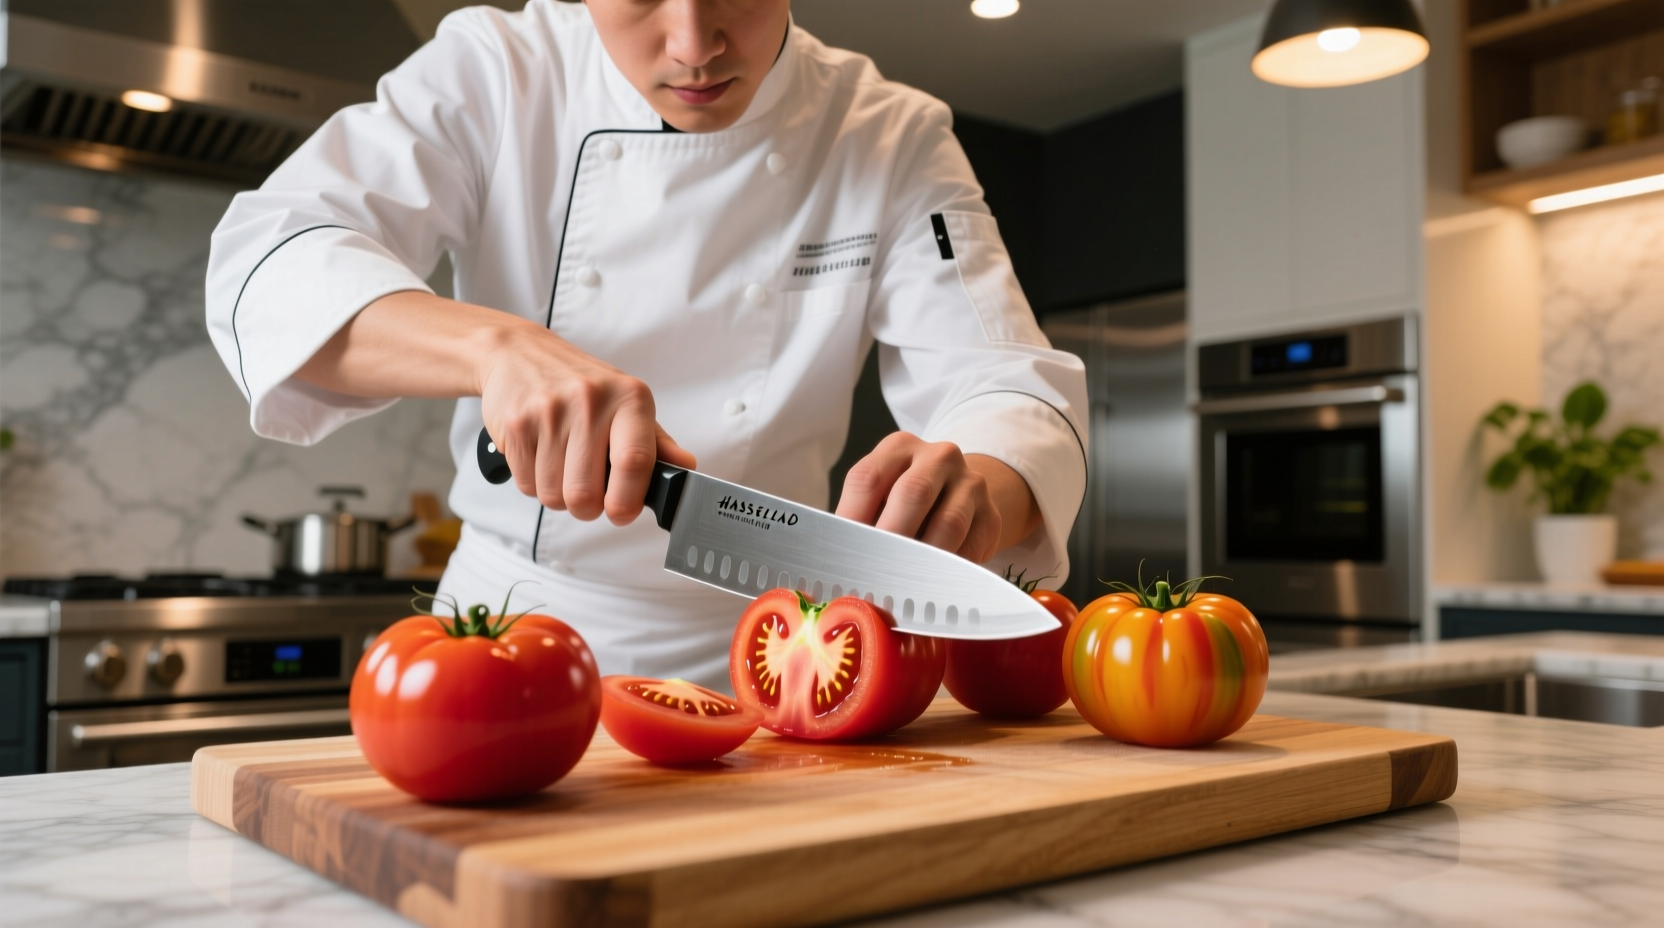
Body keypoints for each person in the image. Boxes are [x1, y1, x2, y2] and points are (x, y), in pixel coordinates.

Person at [205, 0, 1087, 691]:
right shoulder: (495, 71)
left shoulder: (888, 135)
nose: (694, 43)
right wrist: (499, 348)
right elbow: (272, 264)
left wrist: (979, 494)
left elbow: (1004, 378)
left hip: (783, 653)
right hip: (509, 645)